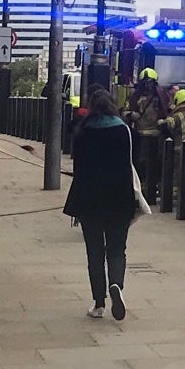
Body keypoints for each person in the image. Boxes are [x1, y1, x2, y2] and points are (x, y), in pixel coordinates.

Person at [63, 88, 140, 321]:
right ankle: (116, 284)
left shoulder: (83, 131)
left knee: (94, 251)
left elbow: (78, 169)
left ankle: (98, 303)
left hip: (90, 199)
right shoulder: (123, 129)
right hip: (119, 197)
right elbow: (130, 163)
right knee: (118, 249)